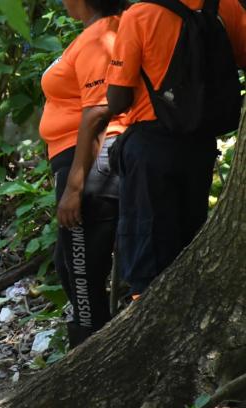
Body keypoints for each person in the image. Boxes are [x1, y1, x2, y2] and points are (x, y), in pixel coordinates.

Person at [106, 0, 242, 299]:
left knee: (148, 244)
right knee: (188, 235)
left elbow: (117, 100)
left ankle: (147, 313)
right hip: (200, 145)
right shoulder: (224, 5)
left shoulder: (139, 15)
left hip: (151, 147)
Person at [40, 0, 128, 347]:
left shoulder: (100, 37)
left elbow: (97, 113)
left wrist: (76, 186)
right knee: (72, 266)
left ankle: (94, 356)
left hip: (90, 163)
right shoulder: (95, 34)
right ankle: (97, 352)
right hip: (81, 160)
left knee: (82, 272)